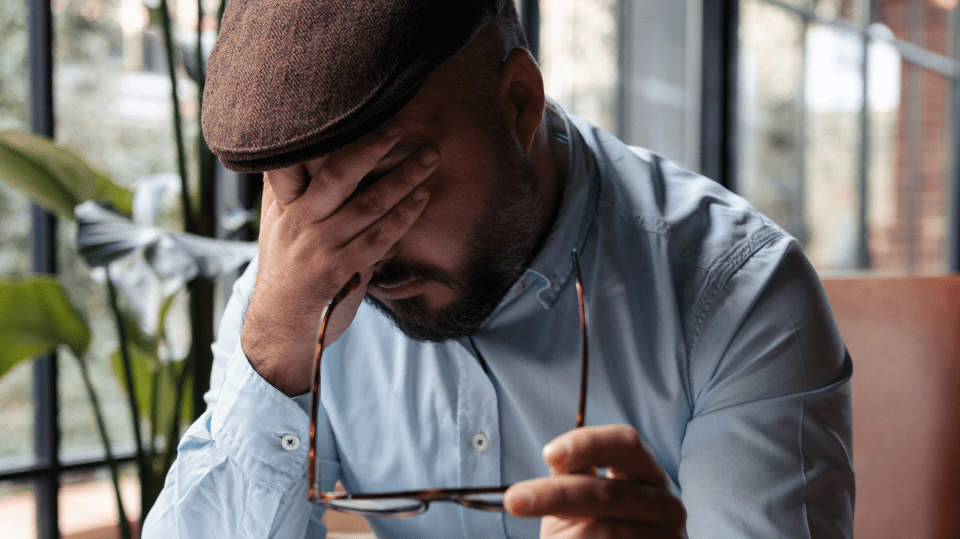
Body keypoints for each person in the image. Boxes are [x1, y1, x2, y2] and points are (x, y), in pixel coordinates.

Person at [143, 1, 854, 537]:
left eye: (392, 183)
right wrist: (270, 355)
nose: (362, 248)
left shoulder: (740, 296)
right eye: (317, 195)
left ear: (517, 102)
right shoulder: (300, 288)